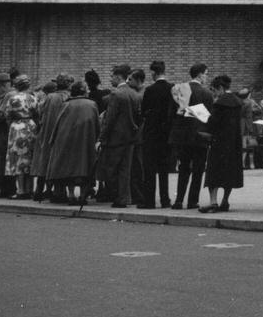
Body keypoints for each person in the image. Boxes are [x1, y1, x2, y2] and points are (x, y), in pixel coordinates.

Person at [45, 81, 100, 204]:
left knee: (69, 169)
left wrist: (52, 140)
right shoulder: (92, 104)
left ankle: (70, 195)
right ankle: (82, 196)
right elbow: (96, 124)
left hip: (67, 142)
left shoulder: (66, 105)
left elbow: (58, 123)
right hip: (86, 142)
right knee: (85, 167)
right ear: (84, 91)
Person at [169, 63, 212, 210]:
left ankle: (179, 200)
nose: (206, 76)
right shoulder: (206, 93)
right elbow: (208, 117)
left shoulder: (180, 90)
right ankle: (193, 201)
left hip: (183, 136)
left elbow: (174, 113)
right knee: (198, 170)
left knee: (183, 168)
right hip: (200, 136)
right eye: (206, 73)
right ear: (200, 75)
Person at [97, 64, 141, 208]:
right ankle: (124, 197)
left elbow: (109, 120)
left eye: (112, 77)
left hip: (116, 138)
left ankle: (117, 196)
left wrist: (101, 138)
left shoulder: (116, 94)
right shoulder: (134, 93)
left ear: (118, 76)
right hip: (130, 137)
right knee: (125, 170)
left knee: (111, 169)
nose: (110, 79)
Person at [203, 74, 244, 212]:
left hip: (219, 142)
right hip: (234, 143)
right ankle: (225, 200)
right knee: (229, 173)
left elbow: (213, 123)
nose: (214, 94)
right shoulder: (238, 102)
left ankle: (213, 202)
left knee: (213, 173)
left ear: (220, 88)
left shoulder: (219, 103)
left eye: (214, 90)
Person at [138, 61, 174, 208]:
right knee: (164, 169)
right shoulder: (173, 88)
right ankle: (165, 199)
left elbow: (144, 111)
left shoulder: (150, 90)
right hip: (166, 134)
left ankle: (149, 201)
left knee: (150, 169)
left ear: (153, 73)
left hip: (152, 134)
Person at [31, 74, 71, 201]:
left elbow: (40, 112)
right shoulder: (69, 97)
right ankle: (60, 192)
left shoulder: (50, 97)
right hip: (63, 134)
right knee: (61, 162)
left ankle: (40, 190)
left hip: (47, 133)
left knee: (44, 162)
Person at [3, 75, 39, 198]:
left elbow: (7, 114)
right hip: (30, 126)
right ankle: (30, 189)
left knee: (18, 158)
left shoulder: (12, 99)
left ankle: (21, 190)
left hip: (17, 127)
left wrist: (13, 124)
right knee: (30, 158)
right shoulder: (32, 98)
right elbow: (37, 114)